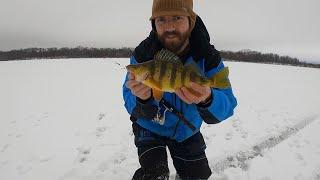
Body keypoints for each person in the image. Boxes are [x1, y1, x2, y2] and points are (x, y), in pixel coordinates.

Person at [122, 0, 237, 179]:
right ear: (154, 24)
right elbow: (128, 99)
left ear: (191, 21)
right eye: (161, 20)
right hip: (149, 127)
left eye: (177, 18)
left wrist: (208, 98)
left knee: (197, 176)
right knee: (152, 176)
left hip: (186, 129)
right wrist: (142, 100)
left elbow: (228, 106)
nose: (169, 27)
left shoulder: (207, 56)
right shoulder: (143, 54)